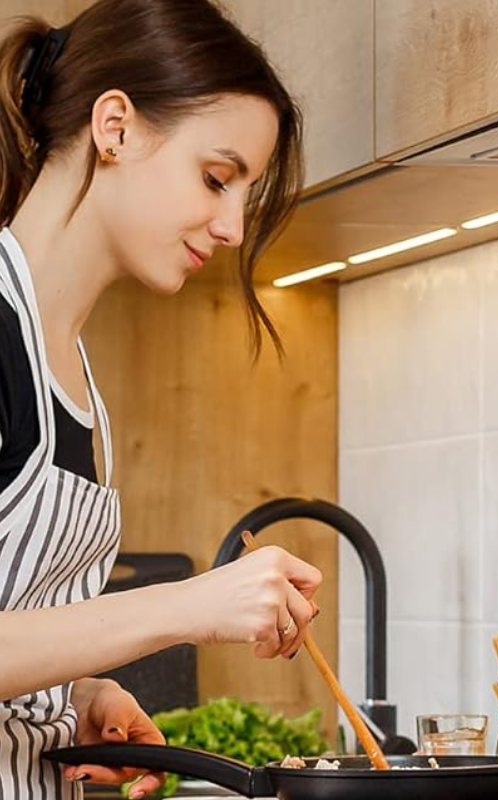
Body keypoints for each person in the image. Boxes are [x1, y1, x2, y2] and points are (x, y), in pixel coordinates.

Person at [0, 1, 323, 797]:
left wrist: (73, 703)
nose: (233, 227)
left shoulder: (70, 370)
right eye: (216, 179)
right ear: (115, 127)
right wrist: (186, 606)